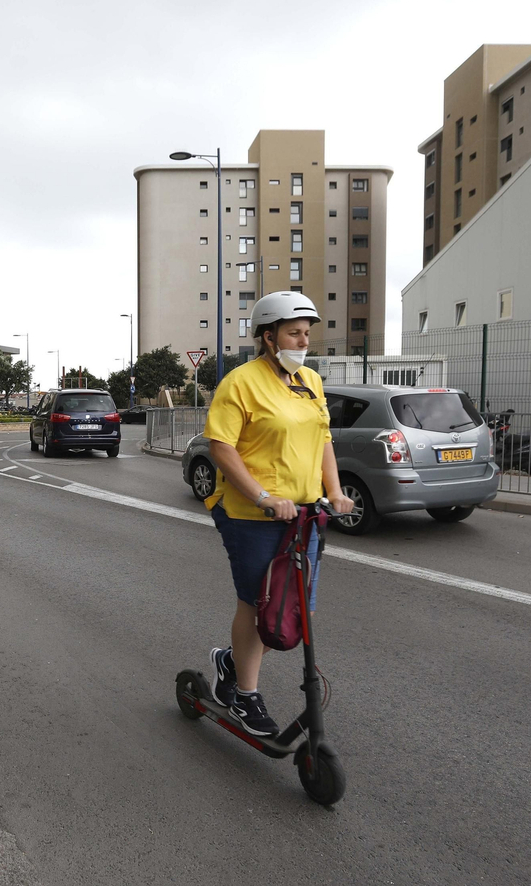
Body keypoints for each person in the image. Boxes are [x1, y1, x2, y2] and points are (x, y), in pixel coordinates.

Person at [202, 291, 354, 737]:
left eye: (307, 335)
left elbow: (323, 440)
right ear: (269, 338)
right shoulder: (241, 382)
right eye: (294, 333)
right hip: (251, 514)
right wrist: (264, 495)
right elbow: (221, 446)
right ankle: (246, 696)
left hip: (304, 514)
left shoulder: (310, 380)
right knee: (256, 606)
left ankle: (230, 660)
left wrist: (335, 490)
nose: (303, 342)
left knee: (287, 611)